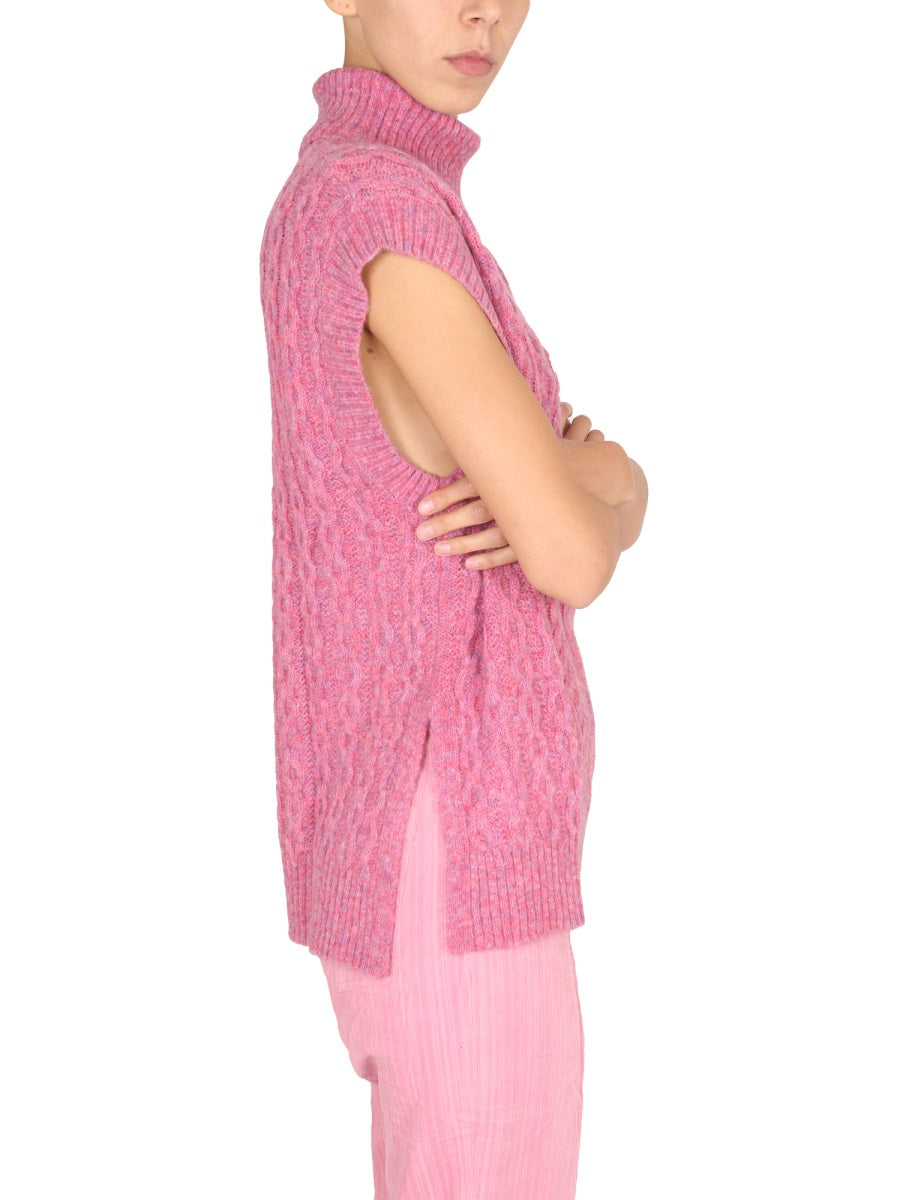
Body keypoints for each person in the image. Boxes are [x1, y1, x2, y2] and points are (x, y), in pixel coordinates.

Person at [259, 2, 649, 1196]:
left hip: (428, 855)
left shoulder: (370, 196)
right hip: (451, 865)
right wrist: (609, 487)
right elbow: (571, 552)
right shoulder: (379, 209)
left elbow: (570, 504)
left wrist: (600, 484)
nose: (484, 10)